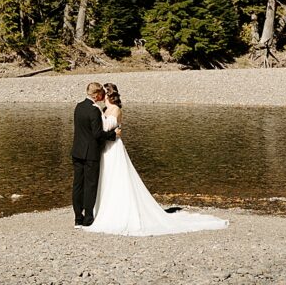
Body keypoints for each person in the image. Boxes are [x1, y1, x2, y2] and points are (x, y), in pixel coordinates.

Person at [83, 82, 229, 237]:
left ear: (107, 94)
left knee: (117, 177)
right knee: (105, 178)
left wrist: (105, 132)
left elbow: (110, 129)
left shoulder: (116, 109)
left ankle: (119, 211)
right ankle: (103, 208)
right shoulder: (103, 109)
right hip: (105, 148)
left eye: (102, 93)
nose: (99, 95)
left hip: (114, 147)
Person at [71, 81, 121, 226]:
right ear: (97, 94)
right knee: (90, 186)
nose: (103, 96)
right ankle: (88, 219)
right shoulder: (94, 110)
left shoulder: (78, 106)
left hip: (77, 151)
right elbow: (97, 134)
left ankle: (77, 219)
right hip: (90, 153)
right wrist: (113, 135)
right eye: (101, 94)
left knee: (77, 185)